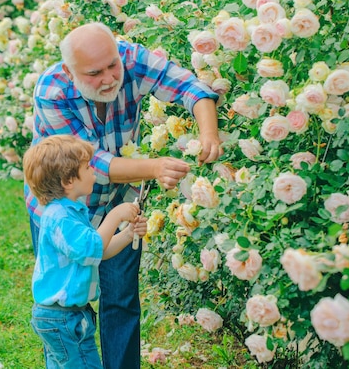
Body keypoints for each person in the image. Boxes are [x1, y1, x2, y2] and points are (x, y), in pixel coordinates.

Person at [24, 22, 223, 369]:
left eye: (113, 65)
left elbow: (192, 87)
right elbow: (94, 163)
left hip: (118, 198)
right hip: (62, 206)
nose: (109, 78)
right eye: (94, 73)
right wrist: (155, 167)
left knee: (120, 299)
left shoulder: (133, 59)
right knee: (65, 305)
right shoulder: (52, 91)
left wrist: (209, 134)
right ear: (70, 73)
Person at [23, 134, 148, 368]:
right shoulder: (61, 217)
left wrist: (128, 234)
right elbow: (93, 248)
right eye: (88, 167)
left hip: (65, 316)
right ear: (69, 181)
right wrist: (115, 215)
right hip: (63, 319)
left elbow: (96, 254)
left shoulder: (70, 211)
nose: (93, 171)